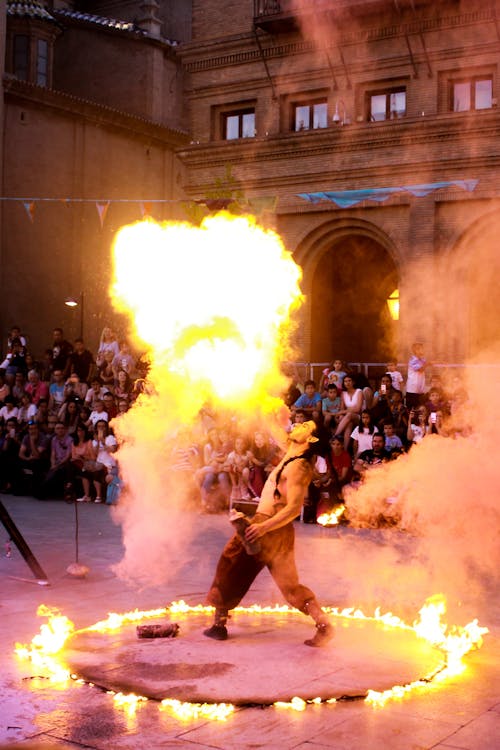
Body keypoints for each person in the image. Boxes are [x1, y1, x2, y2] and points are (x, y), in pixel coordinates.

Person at [203, 420, 334, 647]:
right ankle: (323, 625)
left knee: (229, 564)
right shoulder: (293, 452)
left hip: (267, 527)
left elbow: (294, 508)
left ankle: (219, 625)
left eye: (306, 425)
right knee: (290, 587)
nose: (299, 424)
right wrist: (265, 403)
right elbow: (274, 428)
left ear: (310, 439)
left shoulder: (299, 467)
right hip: (277, 532)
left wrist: (263, 527)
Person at [38, 421, 73, 499]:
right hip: (56, 462)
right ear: (55, 430)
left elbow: (68, 456)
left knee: (56, 471)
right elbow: (53, 453)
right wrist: (53, 464)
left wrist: (57, 465)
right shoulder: (54, 439)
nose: (60, 430)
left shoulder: (70, 440)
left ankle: (43, 492)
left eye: (62, 428)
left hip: (65, 463)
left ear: (65, 430)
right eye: (58, 428)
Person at [334, 374, 363, 451]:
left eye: (349, 381)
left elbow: (358, 409)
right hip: (348, 418)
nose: (347, 383)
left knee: (349, 415)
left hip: (359, 417)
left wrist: (344, 411)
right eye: (345, 381)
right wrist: (343, 413)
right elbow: (342, 409)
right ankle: (345, 450)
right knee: (349, 424)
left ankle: (335, 436)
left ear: (353, 382)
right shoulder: (343, 394)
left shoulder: (359, 392)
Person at [406, 342, 431, 409]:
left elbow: (428, 363)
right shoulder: (412, 360)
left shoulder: (422, 359)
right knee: (412, 410)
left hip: (420, 390)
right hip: (412, 390)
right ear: (416, 350)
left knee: (420, 409)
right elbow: (420, 369)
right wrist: (428, 364)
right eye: (421, 349)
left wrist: (440, 362)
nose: (423, 350)